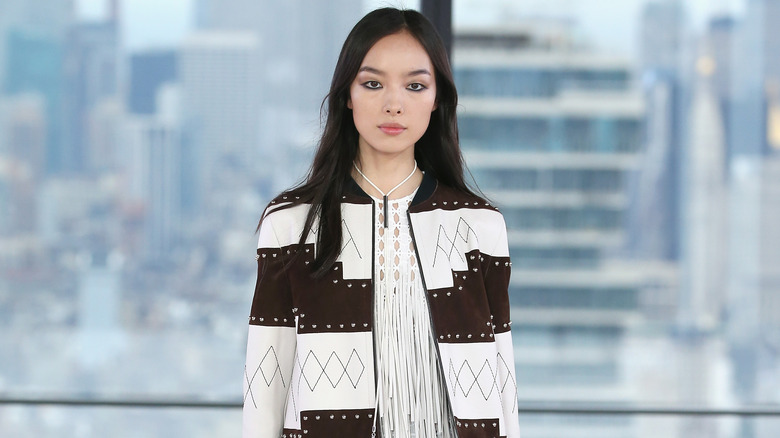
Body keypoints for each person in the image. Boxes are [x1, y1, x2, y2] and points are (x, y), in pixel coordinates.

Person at [243, 7, 520, 438]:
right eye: (372, 83)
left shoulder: (480, 226)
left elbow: (501, 381)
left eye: (415, 86)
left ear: (437, 99)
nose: (394, 104)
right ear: (347, 94)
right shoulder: (290, 224)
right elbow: (266, 386)